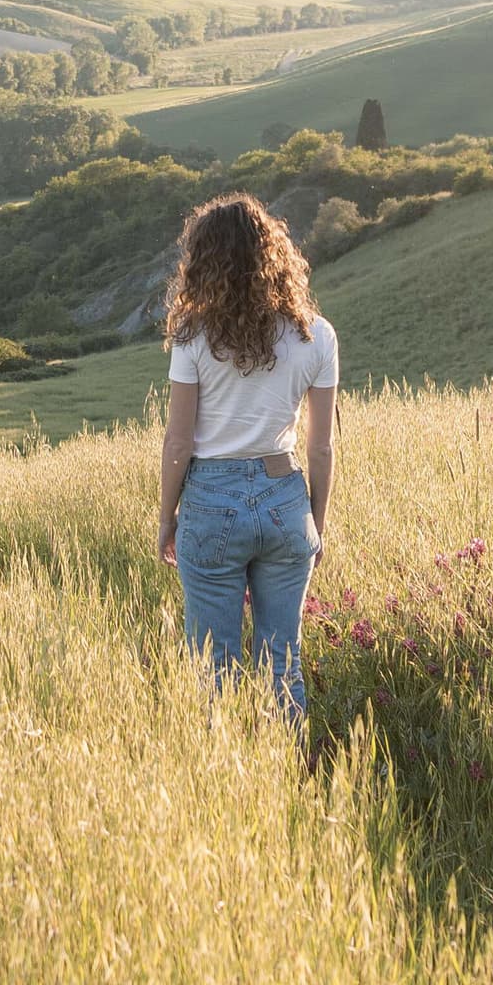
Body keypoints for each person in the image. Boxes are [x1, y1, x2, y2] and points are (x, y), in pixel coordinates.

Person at [155, 191, 338, 721]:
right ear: (276, 255)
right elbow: (321, 445)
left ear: (206, 260)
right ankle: (293, 783)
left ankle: (230, 791)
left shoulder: (193, 335)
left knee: (214, 667)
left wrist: (166, 517)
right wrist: (316, 524)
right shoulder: (317, 334)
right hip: (286, 501)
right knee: (284, 664)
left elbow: (178, 442)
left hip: (210, 502)